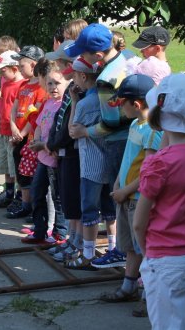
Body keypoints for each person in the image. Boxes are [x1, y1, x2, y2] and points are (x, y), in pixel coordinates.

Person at [133, 73, 185, 330]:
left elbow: (139, 223)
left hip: (166, 255)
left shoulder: (158, 164)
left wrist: (148, 254)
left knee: (167, 325)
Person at [65, 23, 128, 268]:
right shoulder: (128, 61)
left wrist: (85, 131)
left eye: (86, 53)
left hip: (114, 146)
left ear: (98, 55)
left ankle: (98, 254)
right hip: (128, 141)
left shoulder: (105, 80)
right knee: (113, 204)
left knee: (112, 201)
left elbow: (111, 122)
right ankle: (116, 249)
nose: (84, 56)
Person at [99, 74, 161, 319]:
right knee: (130, 248)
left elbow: (149, 169)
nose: (119, 107)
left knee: (144, 248)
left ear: (135, 104)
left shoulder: (154, 131)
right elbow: (128, 160)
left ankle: (149, 296)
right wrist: (118, 183)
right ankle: (128, 286)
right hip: (126, 195)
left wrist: (126, 190)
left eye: (121, 103)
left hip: (138, 198)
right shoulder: (135, 125)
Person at [66, 57, 113, 269]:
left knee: (90, 210)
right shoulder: (109, 97)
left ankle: (88, 254)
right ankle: (113, 250)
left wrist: (74, 101)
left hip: (91, 164)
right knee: (110, 208)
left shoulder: (85, 103)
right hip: (111, 161)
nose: (73, 79)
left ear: (83, 77)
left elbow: (72, 131)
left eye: (75, 75)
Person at [21, 60, 69, 244]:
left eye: (57, 83)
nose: (52, 87)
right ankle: (40, 230)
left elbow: (61, 132)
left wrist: (45, 144)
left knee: (58, 197)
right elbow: (40, 124)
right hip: (43, 157)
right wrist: (36, 141)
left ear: (67, 83)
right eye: (49, 83)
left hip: (55, 157)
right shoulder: (48, 103)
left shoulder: (64, 105)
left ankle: (60, 233)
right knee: (37, 192)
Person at [44, 40, 83, 261]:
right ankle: (71, 239)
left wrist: (55, 144)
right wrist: (51, 142)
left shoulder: (73, 89)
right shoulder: (68, 90)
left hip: (72, 152)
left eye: (59, 60)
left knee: (74, 201)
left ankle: (76, 242)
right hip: (62, 152)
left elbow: (70, 125)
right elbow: (59, 119)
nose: (56, 63)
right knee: (67, 198)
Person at [7, 45, 47, 219]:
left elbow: (36, 115)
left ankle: (33, 206)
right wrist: (13, 126)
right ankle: (24, 204)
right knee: (21, 171)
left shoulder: (42, 87)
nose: (19, 68)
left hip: (29, 135)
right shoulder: (23, 85)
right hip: (18, 134)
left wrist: (22, 133)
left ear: (33, 65)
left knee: (32, 172)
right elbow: (14, 108)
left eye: (21, 65)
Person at [0, 50, 28, 209]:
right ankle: (9, 193)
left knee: (15, 168)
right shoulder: (6, 84)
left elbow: (20, 110)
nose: (1, 73)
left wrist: (17, 130)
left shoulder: (22, 86)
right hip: (3, 130)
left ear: (15, 68)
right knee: (6, 166)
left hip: (14, 133)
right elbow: (5, 107)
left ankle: (20, 197)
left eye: (3, 70)